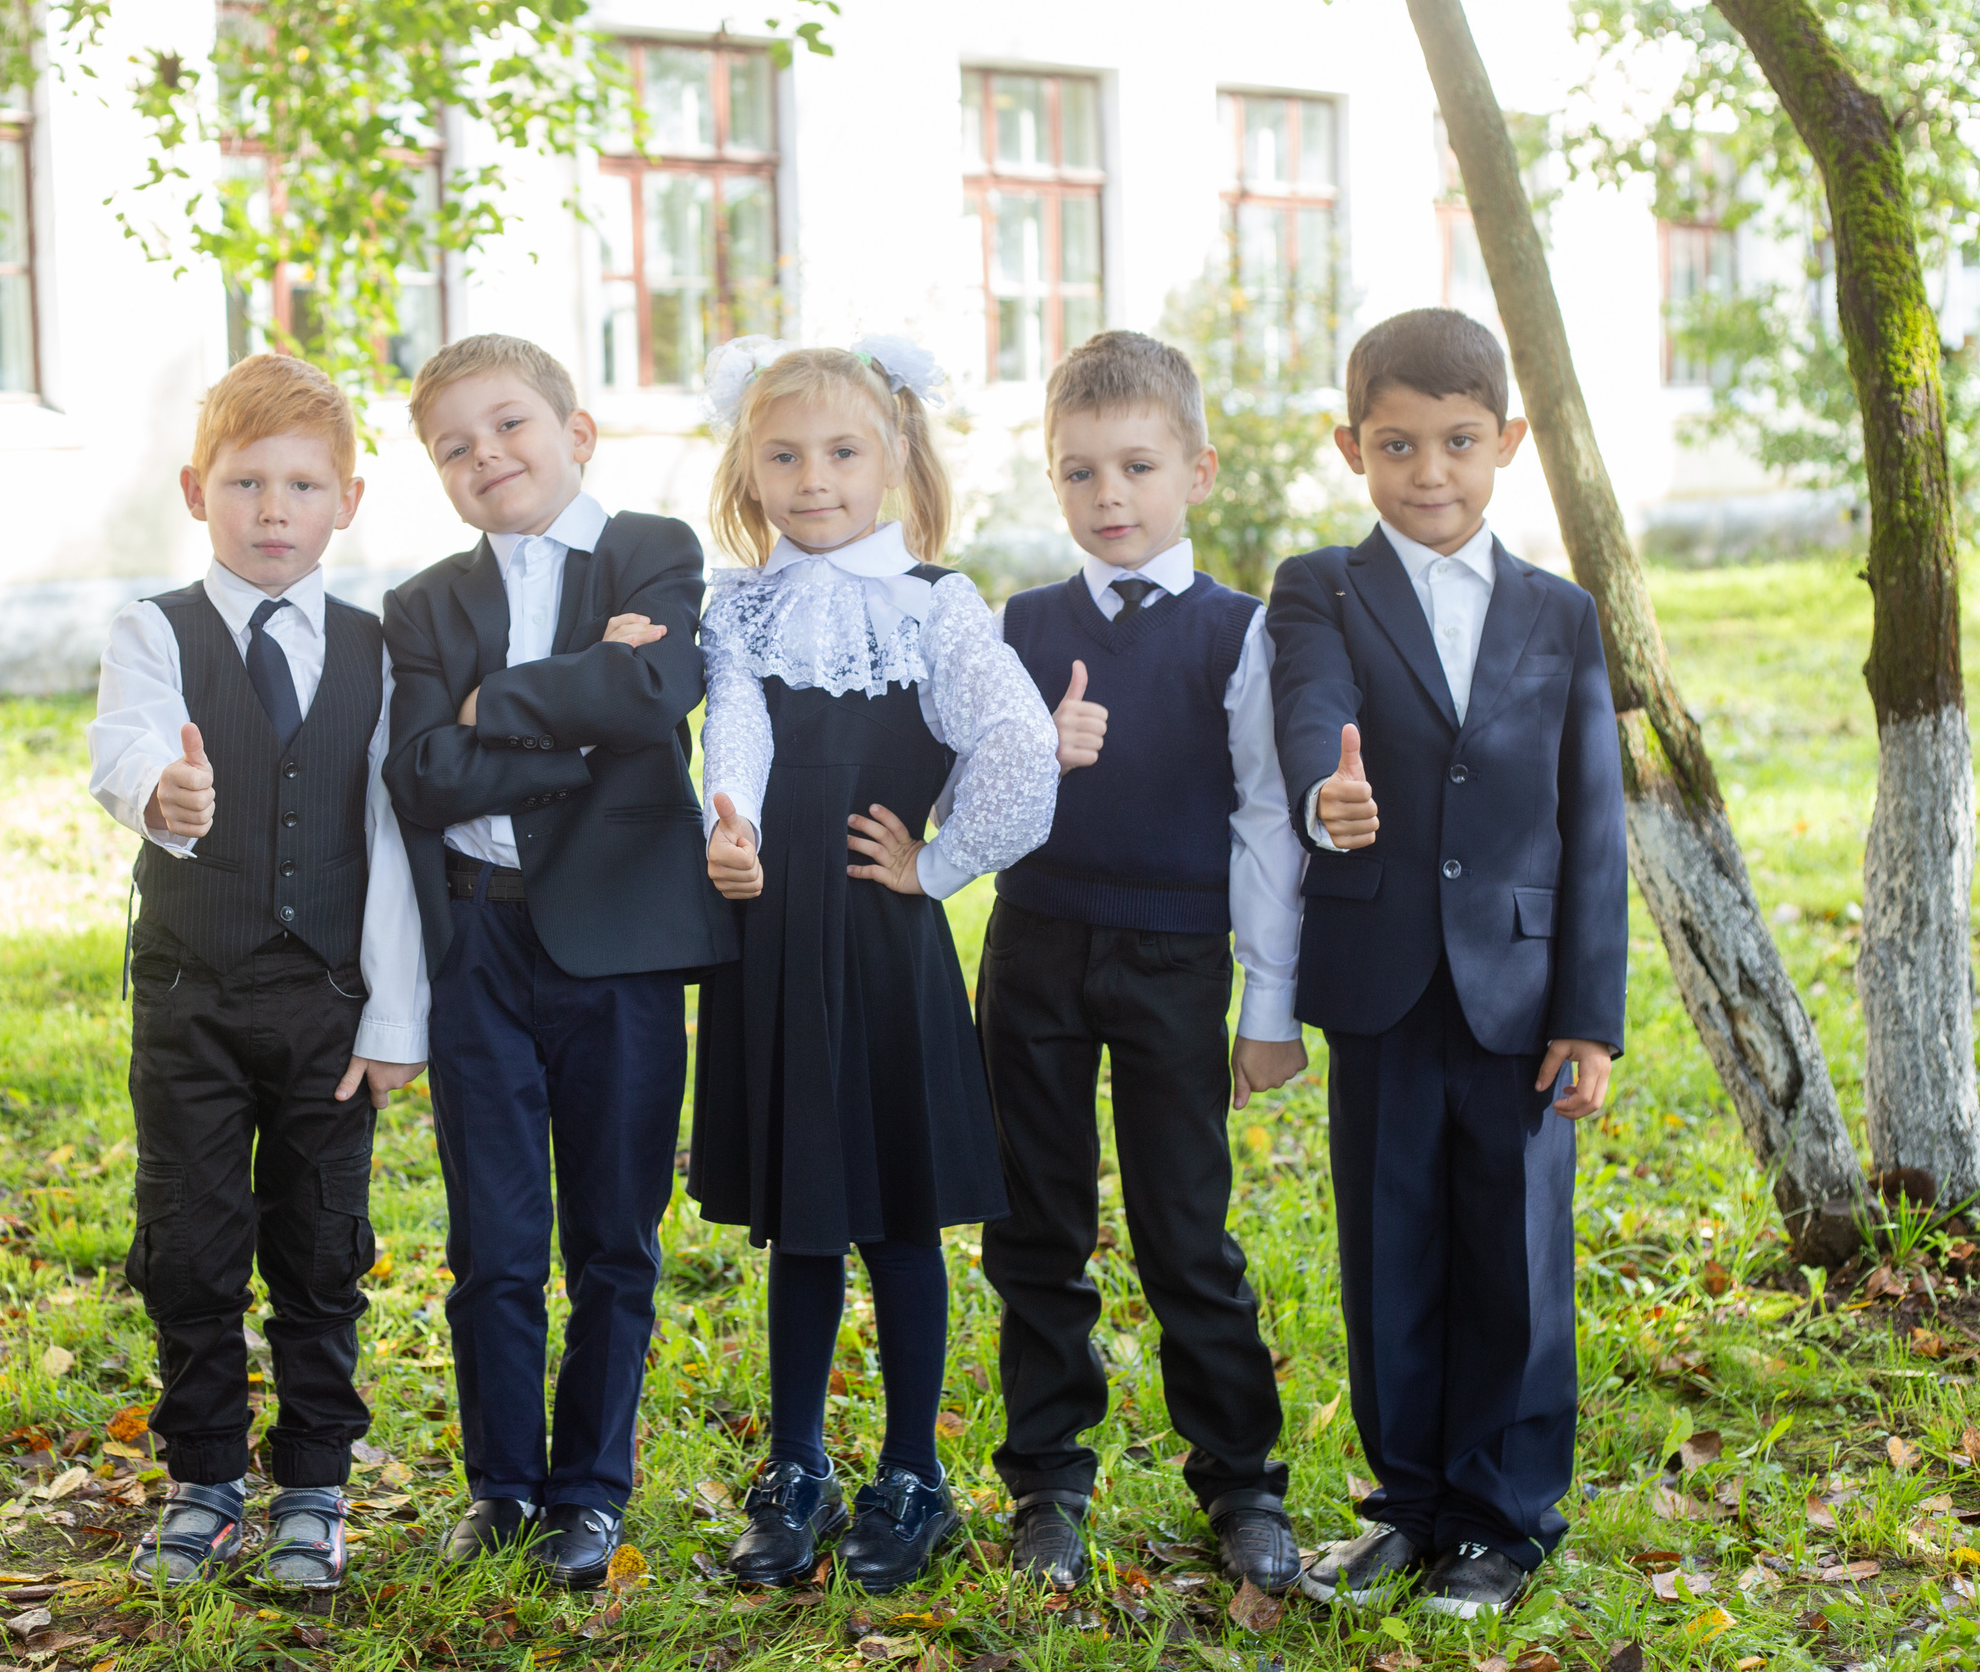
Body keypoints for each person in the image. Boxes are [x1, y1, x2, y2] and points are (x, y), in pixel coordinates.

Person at [1267, 309, 1626, 1618]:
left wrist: (1590, 1012)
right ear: (1351, 445)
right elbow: (1310, 706)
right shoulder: (1321, 587)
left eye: (1459, 442)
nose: (1430, 472)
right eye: (1398, 444)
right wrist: (1325, 792)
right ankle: (1408, 1507)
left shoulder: (1561, 615)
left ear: (1507, 441)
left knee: (1515, 1259)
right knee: (1392, 1249)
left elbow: (1593, 819)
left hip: (1521, 993)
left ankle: (1502, 1520)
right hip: (1383, 980)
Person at [690, 337, 1058, 1596]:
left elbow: (1019, 742)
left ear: (892, 457)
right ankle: (795, 1467)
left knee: (897, 1219)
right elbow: (736, 725)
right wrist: (730, 821)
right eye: (784, 455)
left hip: (880, 938)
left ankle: (913, 1474)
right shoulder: (738, 607)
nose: (814, 479)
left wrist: (941, 865)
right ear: (749, 468)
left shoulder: (934, 604)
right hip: (773, 932)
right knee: (802, 1220)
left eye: (842, 452)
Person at [381, 334, 739, 1588]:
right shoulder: (424, 605)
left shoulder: (651, 549)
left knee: (612, 1238)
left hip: (618, 948)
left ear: (575, 432)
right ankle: (501, 1486)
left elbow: (653, 696)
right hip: (477, 940)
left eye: (509, 425)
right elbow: (423, 774)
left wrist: (497, 702)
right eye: (454, 447)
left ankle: (589, 1490)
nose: (486, 455)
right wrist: (577, 709)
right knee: (492, 1241)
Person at [85, 353, 429, 1590]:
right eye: (244, 483)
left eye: (301, 485)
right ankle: (204, 1479)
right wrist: (162, 794)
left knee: (321, 1243)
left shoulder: (378, 650)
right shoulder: (155, 631)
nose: (272, 510)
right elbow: (123, 746)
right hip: (191, 998)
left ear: (347, 501)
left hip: (326, 1005)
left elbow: (391, 836)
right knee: (190, 1239)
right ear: (197, 492)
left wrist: (393, 1017)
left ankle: (316, 1484)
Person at [978, 330, 1308, 1594]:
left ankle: (1240, 1482)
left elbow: (1266, 819)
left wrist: (1268, 1005)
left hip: (1176, 958)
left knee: (1185, 1229)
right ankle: (1047, 1484)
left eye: (1136, 467)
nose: (1107, 496)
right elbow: (968, 802)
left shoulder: (1239, 633)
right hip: (1034, 948)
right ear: (1052, 479)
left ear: (1196, 471)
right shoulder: (1018, 626)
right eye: (1079, 472)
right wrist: (1032, 751)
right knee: (1035, 1227)